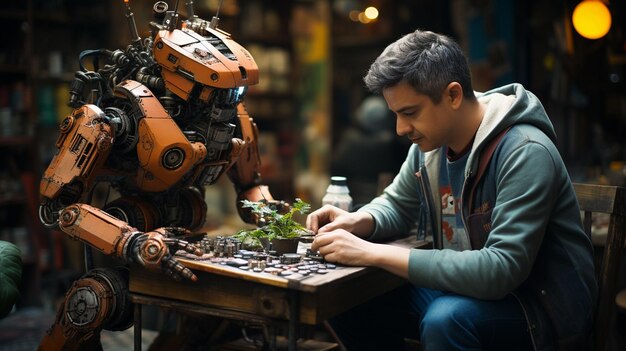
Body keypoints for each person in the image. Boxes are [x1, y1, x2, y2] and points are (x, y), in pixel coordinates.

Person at [307, 29, 597, 351]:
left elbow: (501, 269)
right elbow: (397, 205)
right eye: (396, 114)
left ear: (453, 95)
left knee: (447, 319)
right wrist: (358, 221)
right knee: (346, 297)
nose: (400, 129)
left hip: (542, 308)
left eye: (410, 113)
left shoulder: (524, 150)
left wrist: (373, 253)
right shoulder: (429, 146)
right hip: (468, 290)